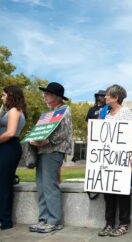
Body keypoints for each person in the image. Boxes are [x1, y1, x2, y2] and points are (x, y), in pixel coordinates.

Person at [28, 82, 73, 233]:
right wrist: (34, 138)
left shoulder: (64, 110)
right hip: (43, 151)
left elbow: (63, 134)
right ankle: (44, 219)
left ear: (57, 96)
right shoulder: (48, 113)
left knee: (49, 186)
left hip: (53, 152)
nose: (44, 95)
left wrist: (44, 141)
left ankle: (54, 221)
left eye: (47, 93)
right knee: (41, 186)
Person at [97, 84, 132, 237]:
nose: (104, 97)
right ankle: (109, 223)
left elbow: (129, 134)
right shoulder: (103, 113)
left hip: (121, 157)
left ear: (115, 97)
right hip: (107, 157)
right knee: (108, 192)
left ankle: (124, 223)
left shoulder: (126, 112)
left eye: (107, 95)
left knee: (123, 192)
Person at [0, 86, 26, 230]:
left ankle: (5, 220)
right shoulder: (9, 110)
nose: (2, 97)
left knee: (3, 184)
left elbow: (10, 133)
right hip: (6, 147)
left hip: (9, 147)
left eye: (4, 95)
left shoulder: (14, 111)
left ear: (11, 96)